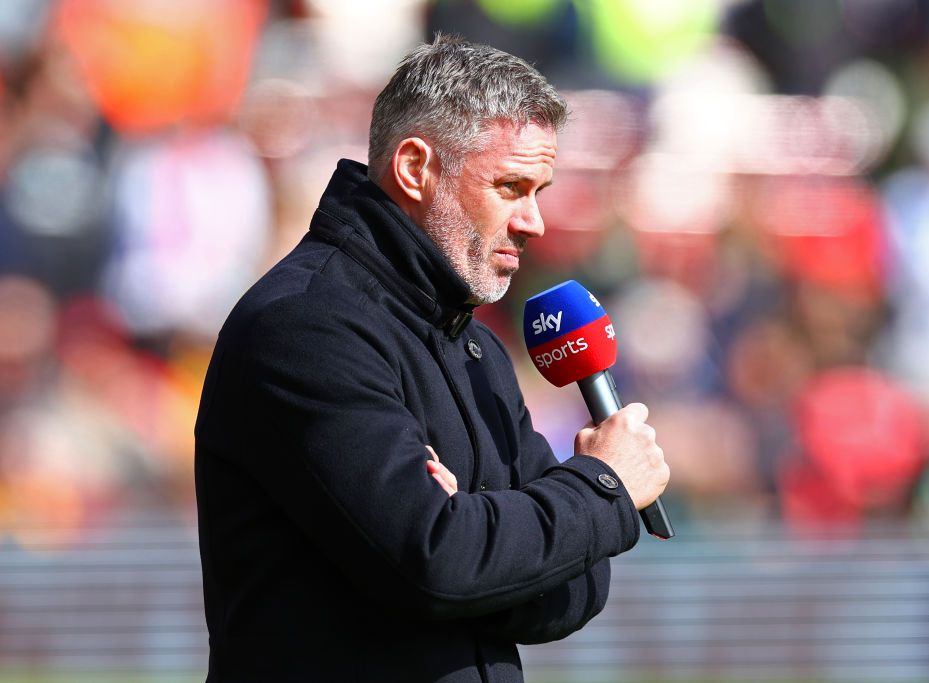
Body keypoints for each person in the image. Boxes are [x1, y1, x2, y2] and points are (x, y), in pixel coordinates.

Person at [194, 33, 669, 682]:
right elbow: (435, 561)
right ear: (416, 168)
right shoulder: (304, 326)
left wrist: (482, 544)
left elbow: (573, 588)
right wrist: (599, 485)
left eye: (540, 190)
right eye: (510, 185)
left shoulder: (476, 348)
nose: (534, 220)